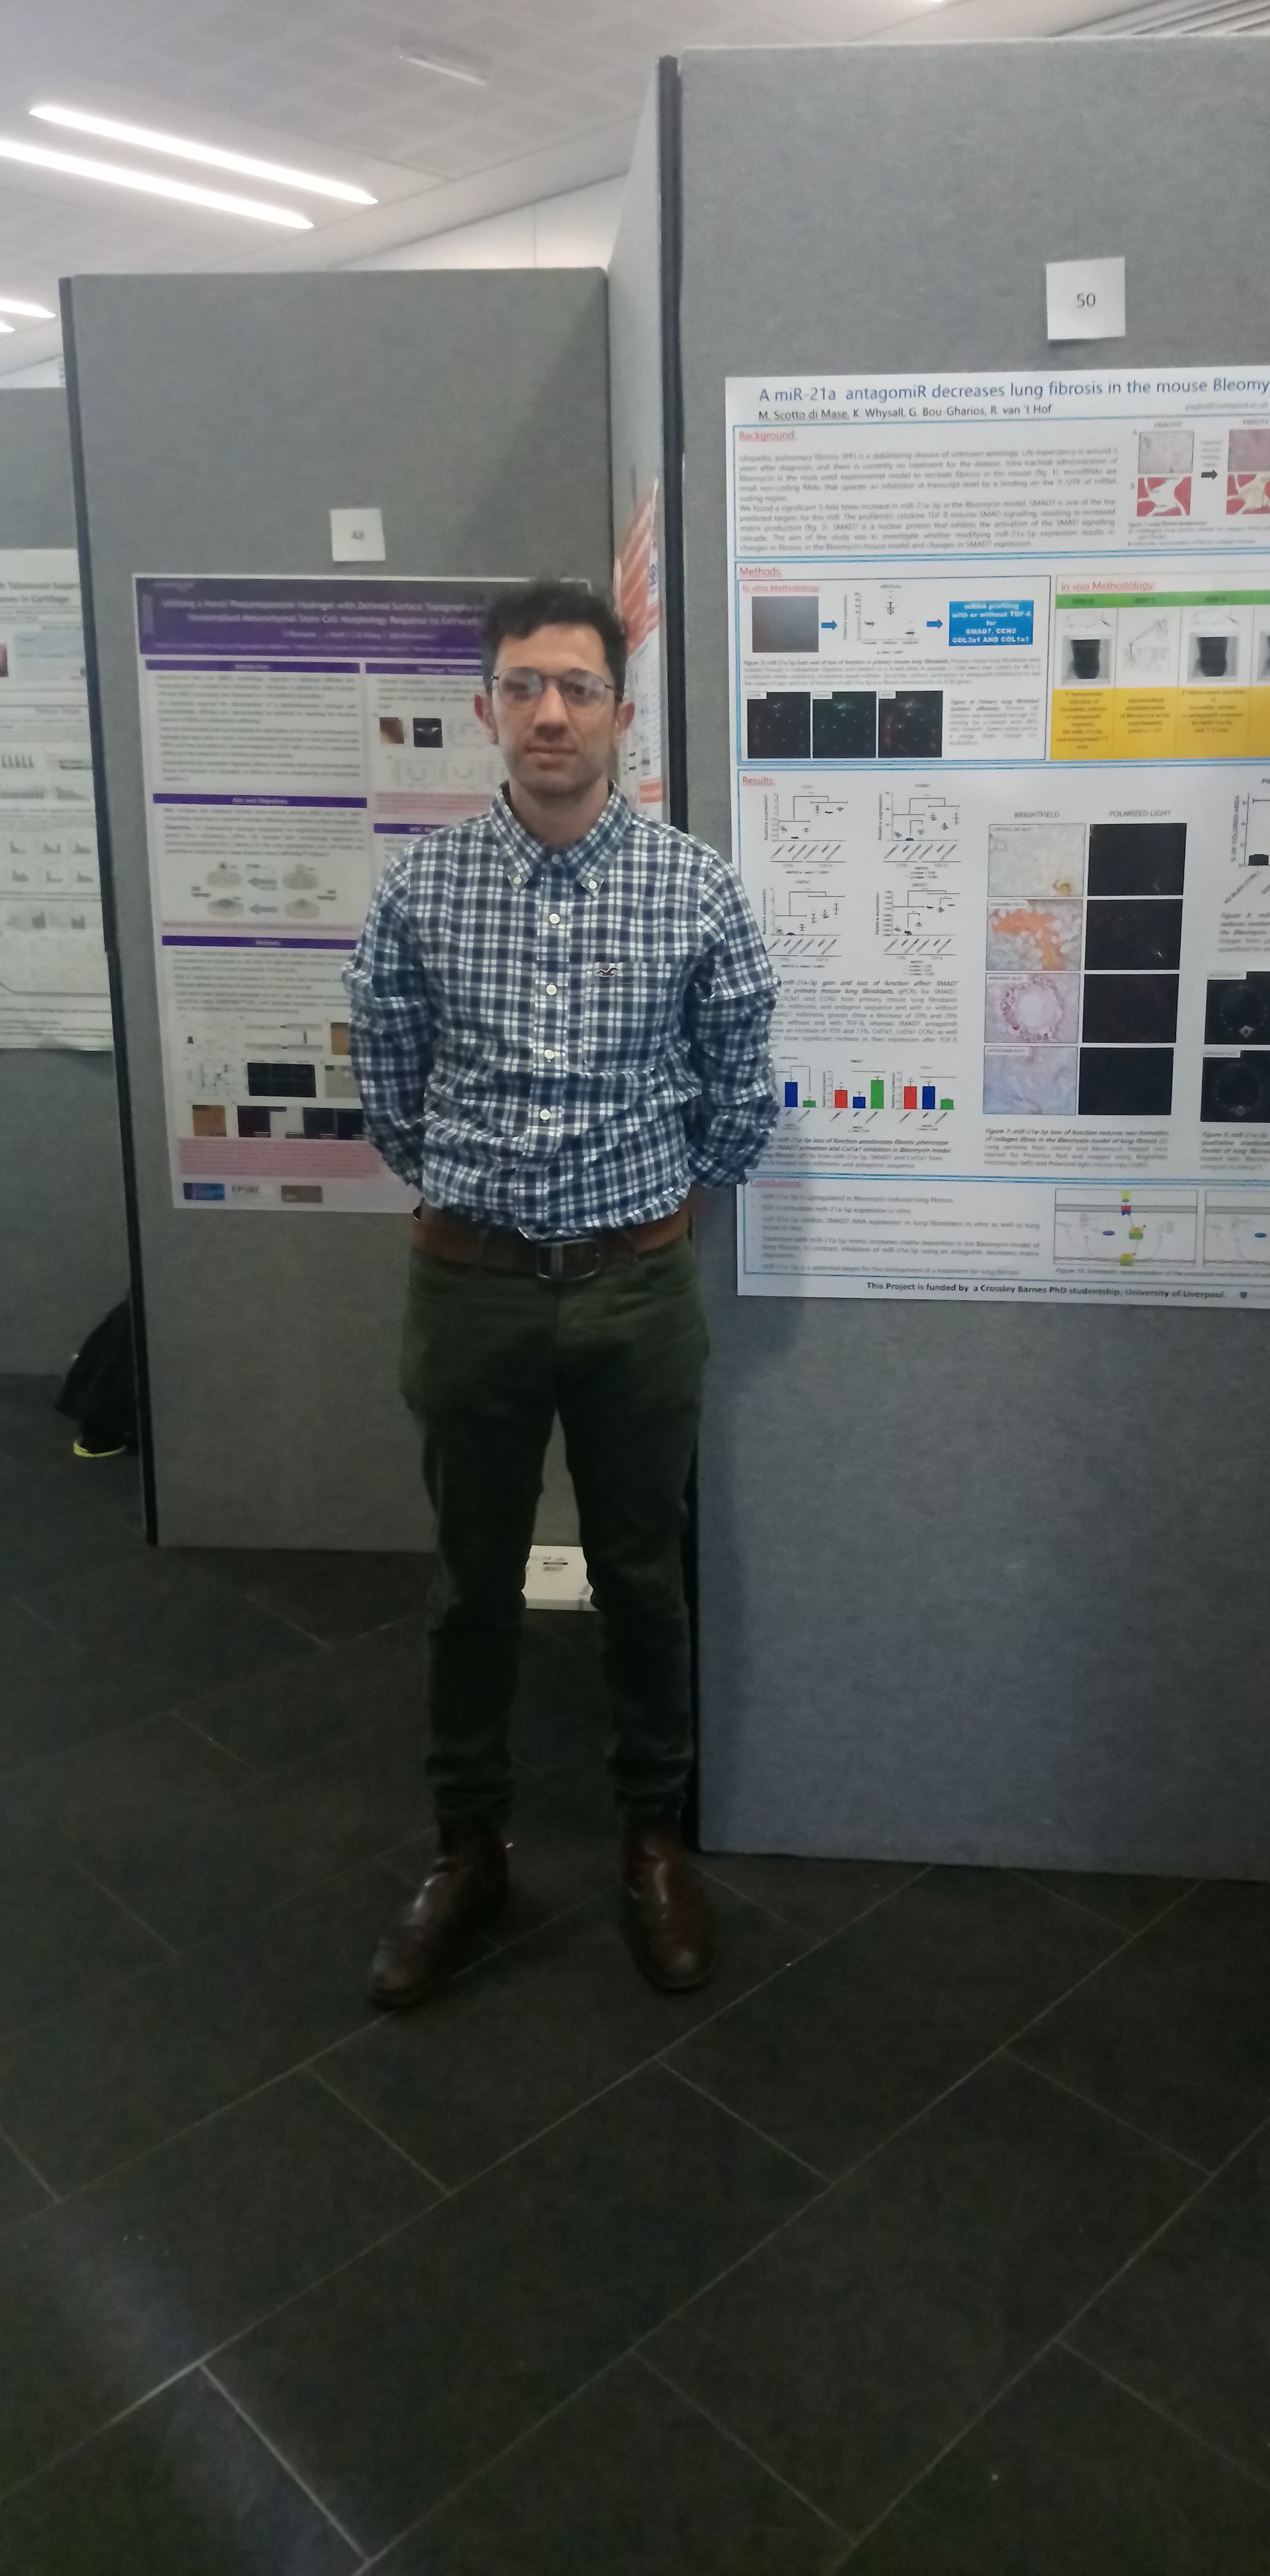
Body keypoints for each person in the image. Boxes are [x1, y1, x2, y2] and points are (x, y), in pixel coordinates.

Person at [347, 577, 777, 2010]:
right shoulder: (419, 888)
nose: (550, 713)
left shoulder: (697, 887)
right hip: (470, 1289)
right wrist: (476, 1207)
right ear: (487, 709)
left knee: (642, 1573)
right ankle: (468, 1848)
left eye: (577, 688)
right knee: (471, 1579)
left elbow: (740, 1096)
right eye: (524, 686)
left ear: (619, 715)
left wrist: (649, 1215)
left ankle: (653, 1841)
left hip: (634, 1296)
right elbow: (391, 1088)